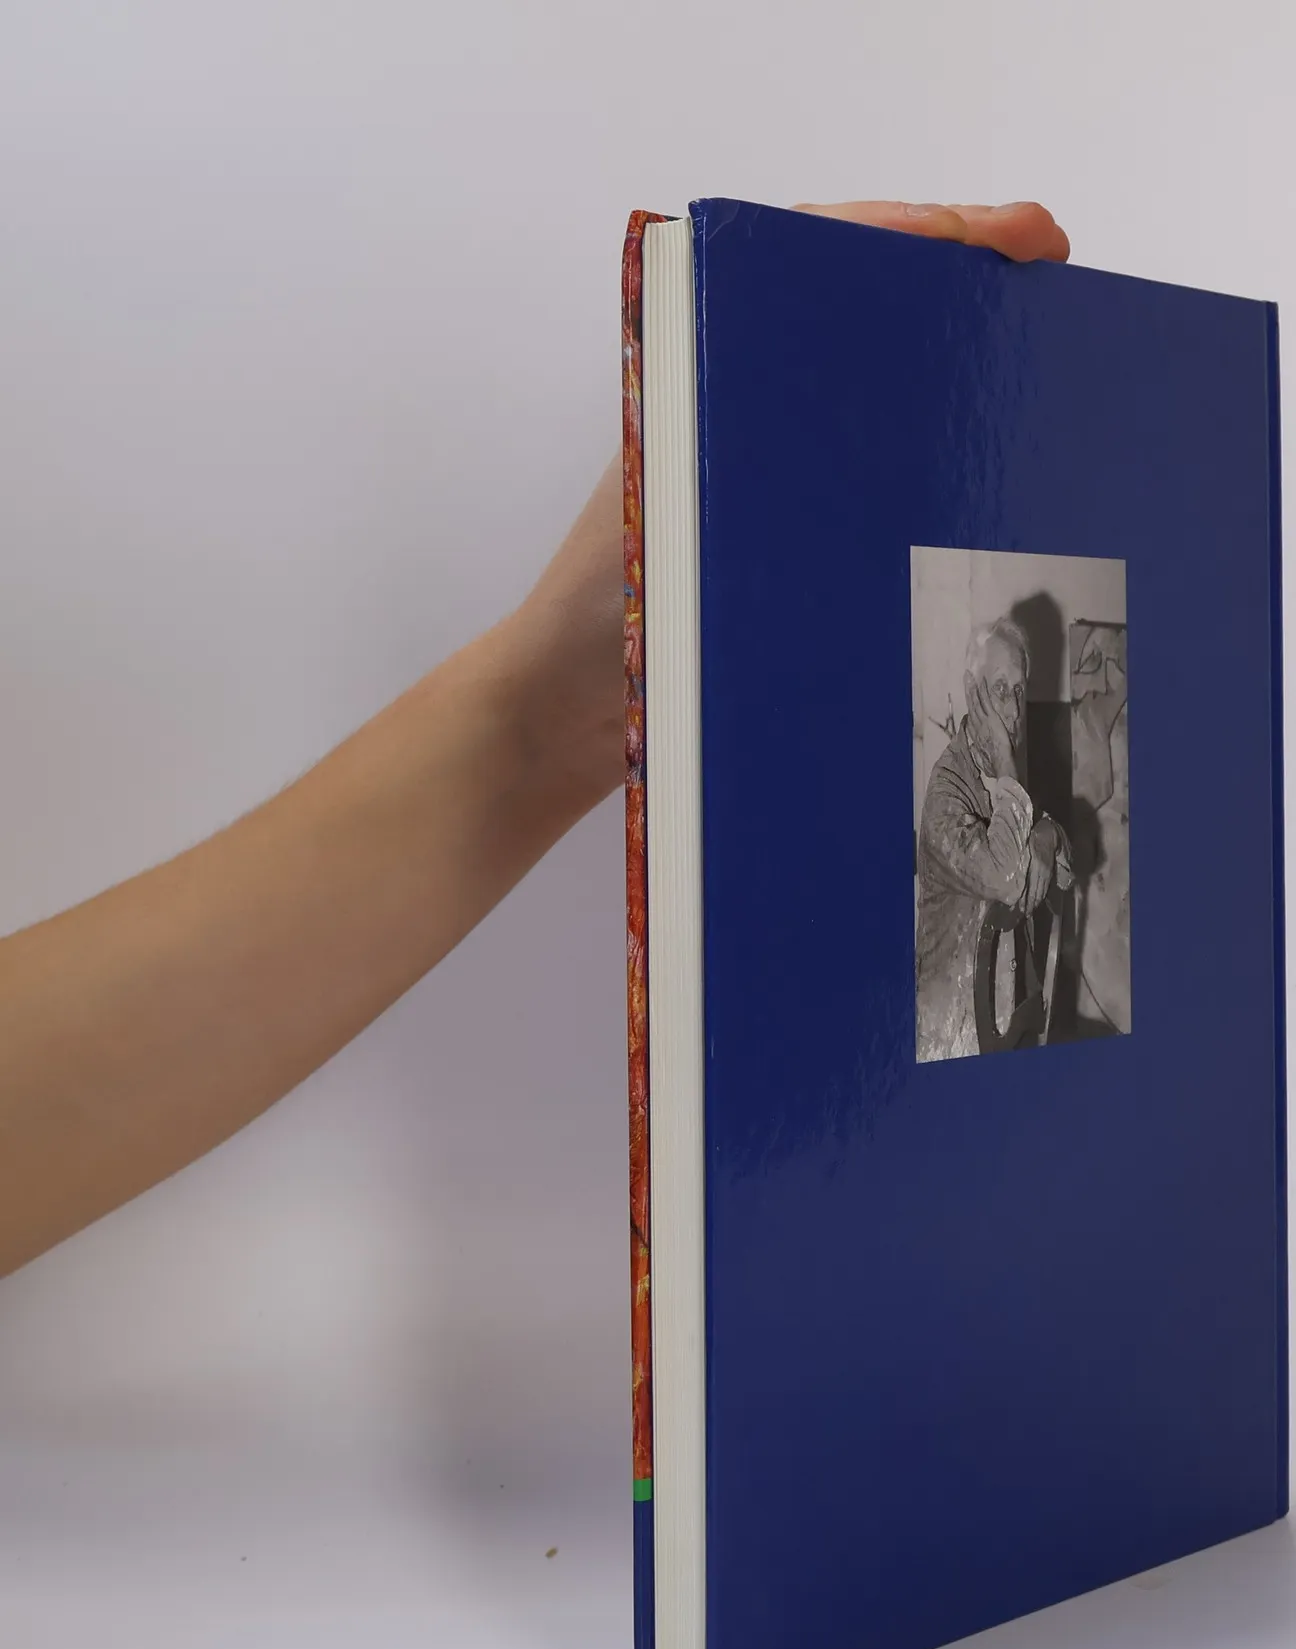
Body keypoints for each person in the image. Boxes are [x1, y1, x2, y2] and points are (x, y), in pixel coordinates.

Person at [0, 199, 1071, 1281]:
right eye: (998, 684)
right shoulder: (960, 779)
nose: (1007, 701)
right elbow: (994, 871)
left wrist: (563, 709)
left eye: (1018, 688)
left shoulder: (991, 771)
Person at [915, 616, 1074, 1061]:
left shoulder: (1005, 785)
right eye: (1000, 690)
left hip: (1005, 1027)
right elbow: (1007, 878)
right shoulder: (947, 793)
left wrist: (1045, 836)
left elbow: (1066, 864)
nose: (1015, 711)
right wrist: (1007, 760)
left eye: (1019, 691)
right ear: (971, 691)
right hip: (948, 1041)